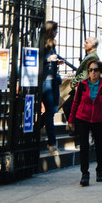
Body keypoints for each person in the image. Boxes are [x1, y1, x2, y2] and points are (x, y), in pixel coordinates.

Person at [68, 59, 102, 186]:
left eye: (95, 70)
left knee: (100, 146)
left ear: (100, 72)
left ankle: (100, 170)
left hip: (98, 119)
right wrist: (71, 119)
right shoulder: (82, 85)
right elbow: (75, 102)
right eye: (90, 70)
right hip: (82, 118)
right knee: (84, 146)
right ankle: (85, 173)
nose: (93, 72)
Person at [61, 36, 99, 121]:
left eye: (87, 42)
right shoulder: (89, 56)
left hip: (83, 87)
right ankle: (76, 129)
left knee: (68, 106)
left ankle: (76, 129)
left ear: (92, 46)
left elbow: (85, 74)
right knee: (71, 107)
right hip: (82, 87)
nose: (84, 43)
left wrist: (73, 83)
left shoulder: (92, 57)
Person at [41, 21, 64, 155]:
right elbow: (38, 60)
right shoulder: (42, 44)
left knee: (54, 109)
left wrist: (57, 61)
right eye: (55, 30)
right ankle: (52, 143)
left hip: (53, 80)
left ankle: (35, 129)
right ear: (50, 31)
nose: (57, 33)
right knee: (50, 111)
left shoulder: (52, 45)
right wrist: (49, 59)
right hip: (46, 81)